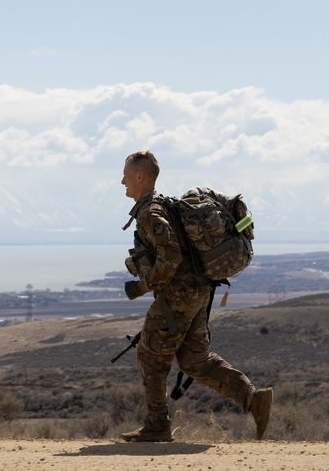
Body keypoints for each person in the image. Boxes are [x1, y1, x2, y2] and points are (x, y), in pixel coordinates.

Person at [119, 150, 272, 442]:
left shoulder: (151, 213)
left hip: (178, 297)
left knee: (150, 356)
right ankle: (254, 399)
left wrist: (141, 287)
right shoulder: (163, 206)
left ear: (140, 176)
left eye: (126, 175)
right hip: (199, 293)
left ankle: (157, 426)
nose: (122, 181)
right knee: (194, 361)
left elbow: (171, 257)